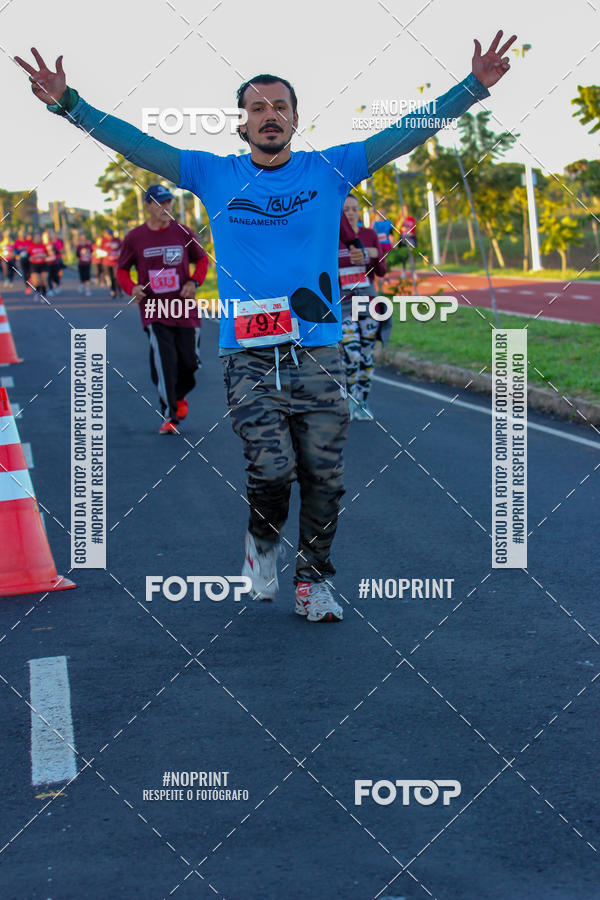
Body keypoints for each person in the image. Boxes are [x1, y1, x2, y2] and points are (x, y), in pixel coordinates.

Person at [16, 31, 515, 622]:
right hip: (248, 357)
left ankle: (314, 583)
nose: (269, 116)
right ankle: (262, 541)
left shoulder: (332, 169)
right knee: (272, 471)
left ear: (296, 119)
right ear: (241, 123)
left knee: (325, 479)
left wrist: (472, 87)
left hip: (319, 352)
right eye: (257, 108)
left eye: (279, 106)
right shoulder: (211, 174)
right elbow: (137, 145)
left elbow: (411, 128)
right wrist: (68, 103)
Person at [116, 184, 208, 434]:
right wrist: (131, 288)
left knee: (190, 362)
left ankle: (178, 396)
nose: (166, 207)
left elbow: (201, 259)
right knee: (165, 362)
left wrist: (194, 281)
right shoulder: (135, 238)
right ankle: (170, 417)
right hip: (154, 309)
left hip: (184, 308)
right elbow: (122, 269)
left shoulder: (183, 232)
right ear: (148, 206)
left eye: (169, 202)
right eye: (160, 203)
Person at [338, 195, 386, 421]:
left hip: (368, 304)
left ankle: (362, 400)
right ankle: (348, 398)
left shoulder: (369, 235)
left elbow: (382, 270)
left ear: (359, 211)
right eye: (345, 209)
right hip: (344, 304)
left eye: (354, 209)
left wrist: (373, 254)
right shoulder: (331, 237)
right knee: (352, 353)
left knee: (367, 355)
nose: (350, 213)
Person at [101, 227, 122, 297]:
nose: (110, 236)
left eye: (111, 234)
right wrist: (105, 253)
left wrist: (118, 254)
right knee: (111, 277)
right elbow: (98, 250)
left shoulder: (117, 240)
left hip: (116, 262)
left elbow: (122, 249)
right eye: (108, 234)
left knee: (117, 276)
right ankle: (112, 290)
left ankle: (119, 290)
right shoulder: (103, 241)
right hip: (107, 262)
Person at [44, 228, 64, 296]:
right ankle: (51, 289)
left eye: (52, 233)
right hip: (47, 262)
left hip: (56, 261)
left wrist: (55, 250)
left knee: (55, 275)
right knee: (49, 276)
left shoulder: (57, 242)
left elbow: (61, 251)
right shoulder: (45, 243)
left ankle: (58, 284)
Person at [28, 230, 48, 296]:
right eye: (36, 237)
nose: (38, 238)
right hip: (34, 265)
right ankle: (38, 291)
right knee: (36, 282)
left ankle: (44, 294)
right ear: (33, 238)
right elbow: (28, 256)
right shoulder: (30, 246)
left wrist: (45, 256)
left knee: (44, 280)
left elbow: (48, 254)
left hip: (43, 264)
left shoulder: (44, 245)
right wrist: (30, 258)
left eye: (39, 237)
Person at [14, 229, 32, 294]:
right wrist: (17, 254)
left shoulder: (29, 242)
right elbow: (15, 251)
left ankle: (31, 283)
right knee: (25, 273)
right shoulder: (17, 242)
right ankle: (27, 287)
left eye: (24, 234)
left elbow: (31, 249)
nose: (22, 236)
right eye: (21, 235)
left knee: (30, 273)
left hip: (29, 259)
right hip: (21, 260)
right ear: (19, 236)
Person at [75, 230, 93, 294]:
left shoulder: (89, 246)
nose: (83, 240)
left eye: (84, 238)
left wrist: (90, 257)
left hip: (87, 263)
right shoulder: (79, 247)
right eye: (82, 239)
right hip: (81, 263)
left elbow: (92, 253)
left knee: (87, 277)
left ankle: (88, 290)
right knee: (82, 276)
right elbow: (77, 255)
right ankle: (82, 284)